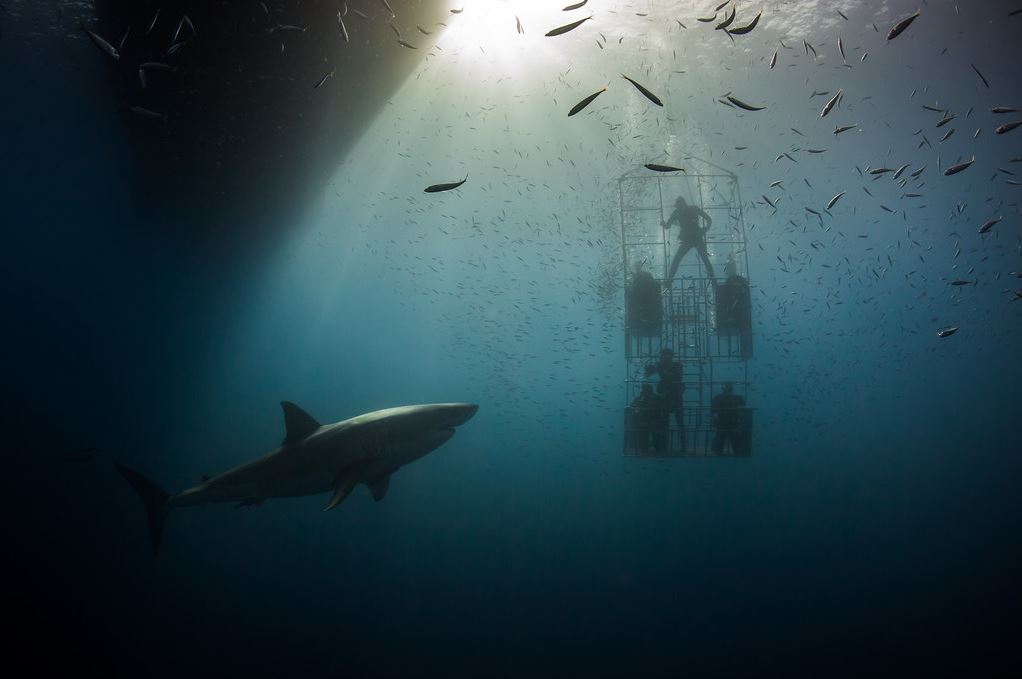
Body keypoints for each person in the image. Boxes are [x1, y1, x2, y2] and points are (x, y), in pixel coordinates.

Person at [662, 196, 715, 283]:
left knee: (705, 259)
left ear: (683, 204)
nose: (679, 208)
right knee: (677, 259)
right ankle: (669, 280)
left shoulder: (691, 210)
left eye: (679, 206)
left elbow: (708, 219)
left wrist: (706, 228)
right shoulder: (678, 212)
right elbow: (667, 226)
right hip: (690, 239)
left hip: (695, 238)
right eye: (678, 207)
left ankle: (713, 280)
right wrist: (664, 224)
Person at [645, 348, 685, 452]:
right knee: (664, 422)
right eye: (665, 356)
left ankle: (683, 446)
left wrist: (661, 369)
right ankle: (664, 446)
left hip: (675, 395)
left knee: (679, 421)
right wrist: (649, 369)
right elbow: (647, 374)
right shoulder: (660, 365)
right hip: (666, 396)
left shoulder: (677, 365)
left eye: (668, 356)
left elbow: (677, 377)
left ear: (671, 356)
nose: (667, 359)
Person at [711, 382, 748, 455]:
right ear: (732, 389)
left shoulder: (717, 397)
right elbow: (744, 408)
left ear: (723, 389)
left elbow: (713, 410)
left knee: (718, 445)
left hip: (722, 424)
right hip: (733, 424)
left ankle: (717, 450)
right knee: (736, 445)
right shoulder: (738, 398)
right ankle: (736, 451)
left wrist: (714, 420)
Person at [629, 383, 667, 454]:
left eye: (646, 388)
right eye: (644, 388)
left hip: (651, 421)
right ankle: (647, 450)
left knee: (653, 437)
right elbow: (633, 405)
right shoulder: (642, 398)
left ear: (650, 389)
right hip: (649, 421)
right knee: (644, 437)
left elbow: (633, 406)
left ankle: (653, 450)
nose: (645, 390)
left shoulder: (644, 398)